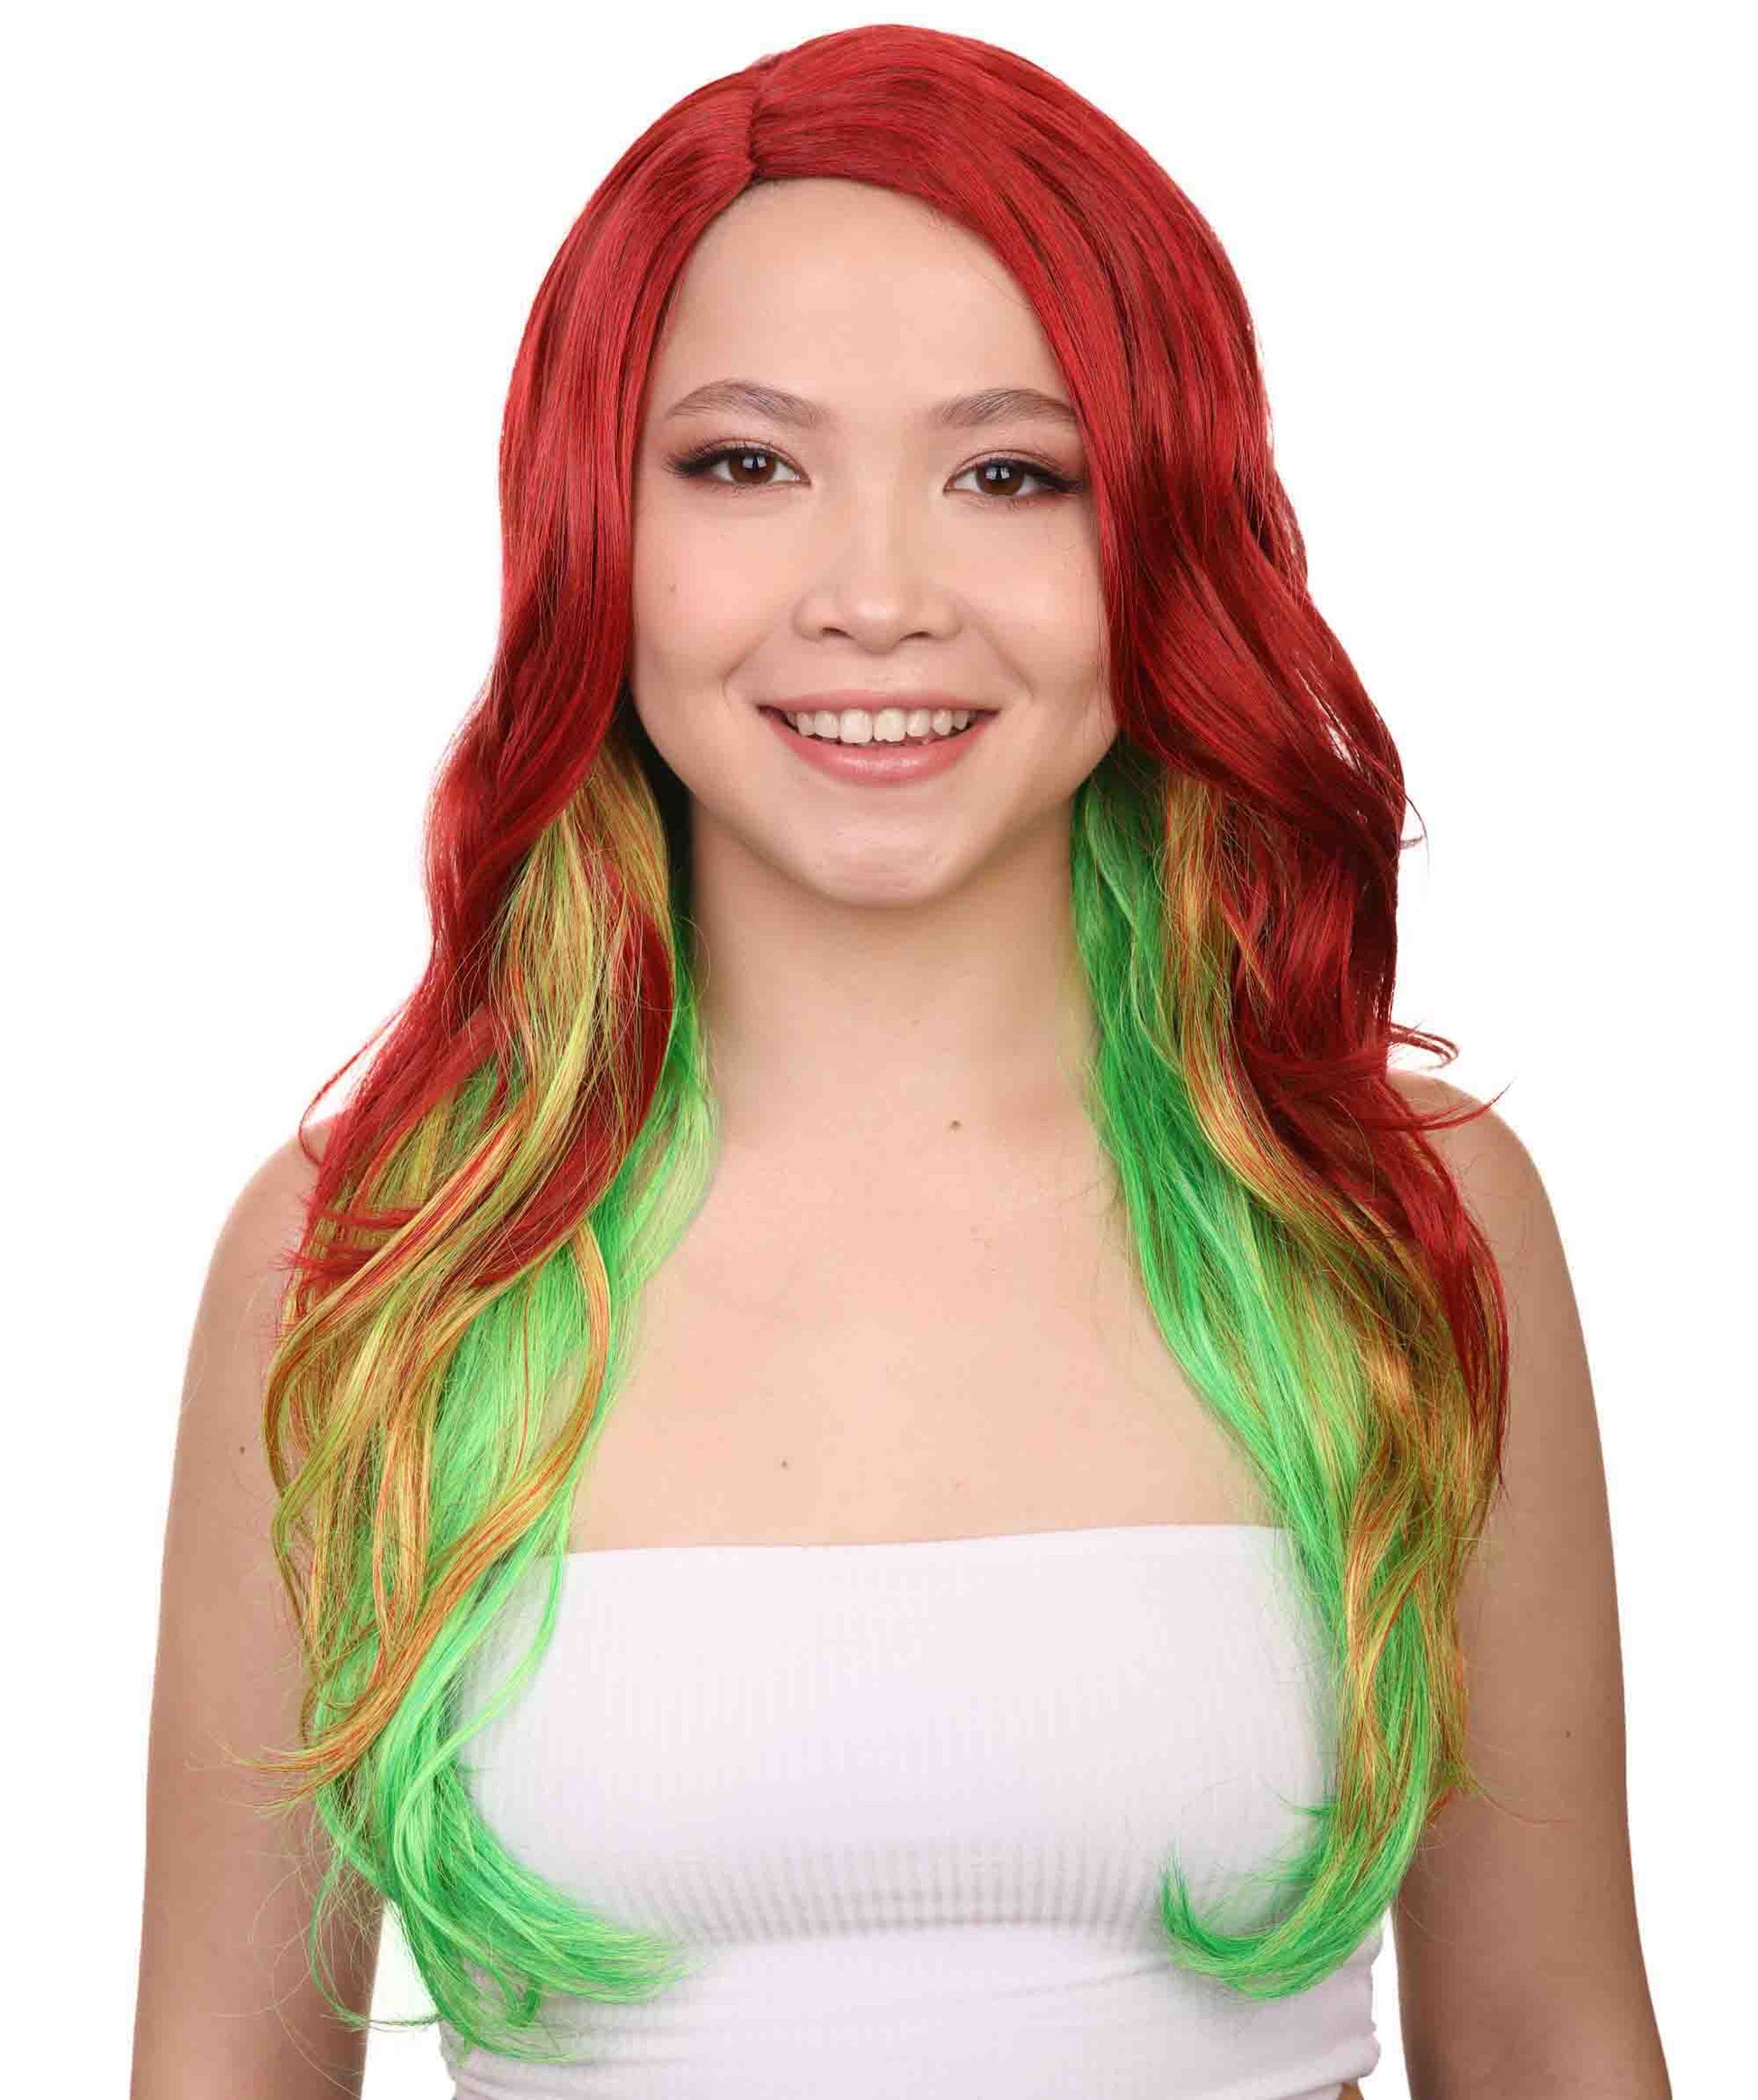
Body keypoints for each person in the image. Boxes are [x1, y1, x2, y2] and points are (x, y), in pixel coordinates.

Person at [130, 23, 1671, 2100]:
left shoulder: (1395, 1212)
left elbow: (1551, 2037)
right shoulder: (366, 1259)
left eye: (1008, 473)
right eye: (745, 464)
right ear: (590, 526)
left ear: (1164, 539)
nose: (874, 597)